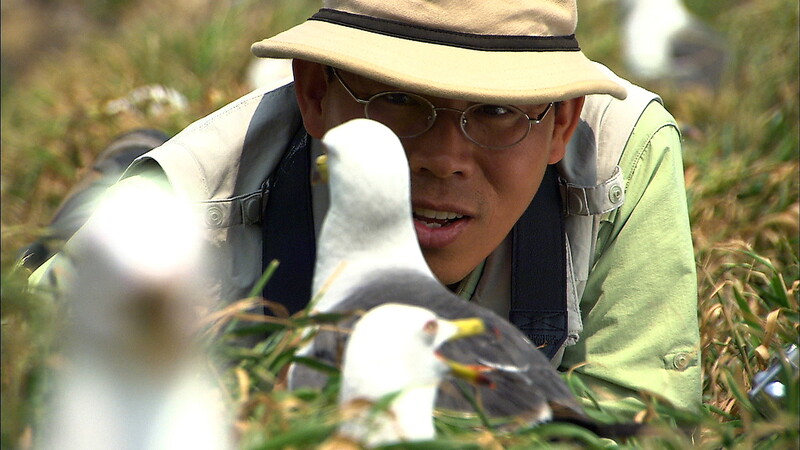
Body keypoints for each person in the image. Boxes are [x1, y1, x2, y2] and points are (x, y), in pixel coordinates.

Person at [25, 0, 700, 419]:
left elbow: (646, 426)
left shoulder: (621, 158)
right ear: (316, 92)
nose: (444, 158)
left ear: (562, 123)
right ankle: (118, 165)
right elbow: (29, 378)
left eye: (496, 111)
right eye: (399, 100)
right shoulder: (183, 208)